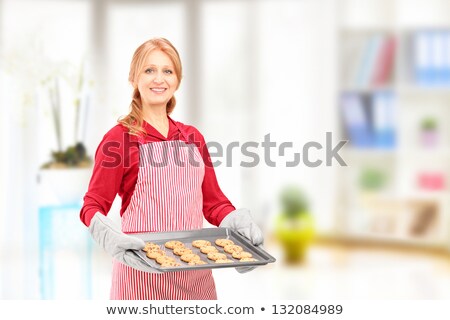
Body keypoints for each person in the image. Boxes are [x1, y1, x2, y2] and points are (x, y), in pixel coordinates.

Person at [80, 37, 264, 300]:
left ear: (177, 80)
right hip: (140, 276)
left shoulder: (193, 137)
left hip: (195, 277)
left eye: (167, 71)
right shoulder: (119, 139)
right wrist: (108, 235)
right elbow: (92, 204)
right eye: (149, 70)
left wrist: (237, 222)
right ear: (134, 78)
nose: (159, 79)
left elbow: (213, 203)